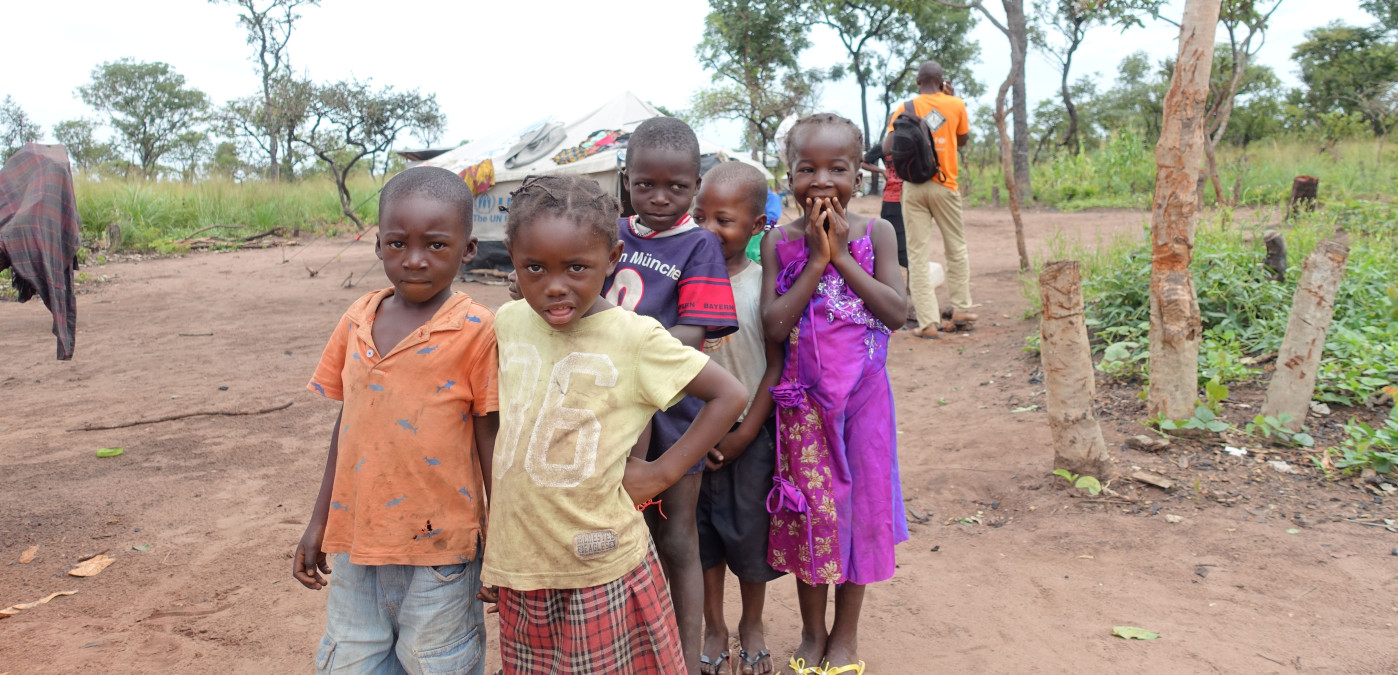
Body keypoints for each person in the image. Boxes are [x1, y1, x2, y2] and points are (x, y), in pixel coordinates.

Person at [479, 174, 747, 674]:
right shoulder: (510, 322)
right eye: (534, 267)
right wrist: (499, 551)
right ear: (512, 262)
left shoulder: (635, 336)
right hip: (527, 563)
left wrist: (662, 473)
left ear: (613, 258)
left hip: (600, 564)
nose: (555, 286)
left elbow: (728, 394)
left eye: (577, 267)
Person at [295, 166, 498, 675]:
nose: (414, 260)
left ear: (467, 249)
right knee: (352, 661)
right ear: (378, 245)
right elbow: (349, 426)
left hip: (443, 552)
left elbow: (488, 439)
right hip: (357, 545)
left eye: (435, 245)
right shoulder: (358, 319)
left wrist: (503, 540)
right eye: (396, 243)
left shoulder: (477, 330)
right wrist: (319, 521)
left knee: (435, 663)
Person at [761, 113, 910, 675]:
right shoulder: (779, 241)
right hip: (803, 408)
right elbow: (775, 326)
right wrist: (816, 259)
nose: (821, 180)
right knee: (812, 515)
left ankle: (845, 636)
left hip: (866, 403)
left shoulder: (877, 234)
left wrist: (842, 256)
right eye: (807, 168)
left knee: (862, 515)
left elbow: (895, 313)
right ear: (789, 174)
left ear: (859, 174)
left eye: (837, 168)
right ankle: (812, 632)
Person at [602, 116, 739, 672]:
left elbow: (695, 332)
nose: (660, 198)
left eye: (677, 187)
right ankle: (624, 646)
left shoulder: (699, 245)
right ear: (626, 180)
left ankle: (683, 655)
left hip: (673, 410)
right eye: (645, 185)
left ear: (696, 185)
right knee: (613, 532)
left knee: (677, 536)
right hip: (609, 409)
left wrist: (621, 335)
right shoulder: (608, 232)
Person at [691, 162, 786, 675]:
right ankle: (713, 625)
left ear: (756, 226)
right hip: (687, 435)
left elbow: (776, 363)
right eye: (699, 216)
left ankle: (752, 623)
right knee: (700, 536)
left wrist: (748, 430)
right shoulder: (682, 280)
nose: (708, 230)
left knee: (750, 536)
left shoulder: (759, 286)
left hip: (749, 433)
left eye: (723, 220)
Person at [882, 60, 977, 338]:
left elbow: (888, 147)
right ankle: (961, 308)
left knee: (917, 255)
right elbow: (962, 141)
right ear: (942, 80)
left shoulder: (905, 108)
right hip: (945, 185)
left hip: (912, 187)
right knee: (956, 247)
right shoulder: (956, 104)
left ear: (917, 82)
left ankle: (928, 323)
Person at [859, 145, 909, 272]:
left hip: (912, 199)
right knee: (891, 240)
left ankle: (911, 285)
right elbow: (863, 162)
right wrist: (881, 171)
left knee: (912, 242)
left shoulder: (912, 142)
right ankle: (891, 277)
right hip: (891, 200)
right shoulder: (884, 147)